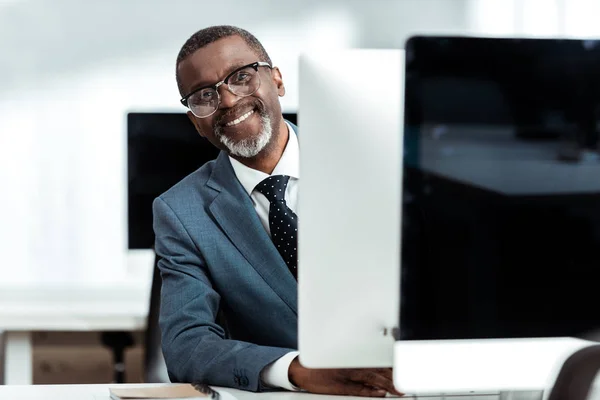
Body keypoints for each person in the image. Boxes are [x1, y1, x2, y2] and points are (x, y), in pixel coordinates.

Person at [153, 25, 401, 397]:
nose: (228, 100)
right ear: (194, 120)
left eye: (241, 76)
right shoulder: (181, 211)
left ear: (277, 79)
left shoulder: (374, 160)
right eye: (203, 96)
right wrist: (294, 370)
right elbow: (186, 345)